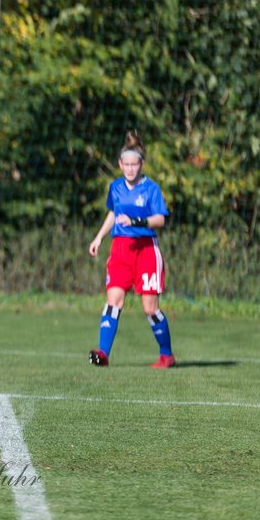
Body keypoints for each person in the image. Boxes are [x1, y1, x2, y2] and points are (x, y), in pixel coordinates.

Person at [87, 131, 175, 368]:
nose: (130, 169)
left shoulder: (151, 189)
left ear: (141, 164)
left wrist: (137, 222)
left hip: (146, 250)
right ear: (120, 164)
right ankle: (103, 354)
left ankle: (166, 354)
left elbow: (160, 219)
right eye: (125, 164)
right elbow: (113, 214)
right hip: (121, 250)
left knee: (150, 308)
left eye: (134, 164)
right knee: (113, 299)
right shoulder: (115, 187)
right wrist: (98, 238)